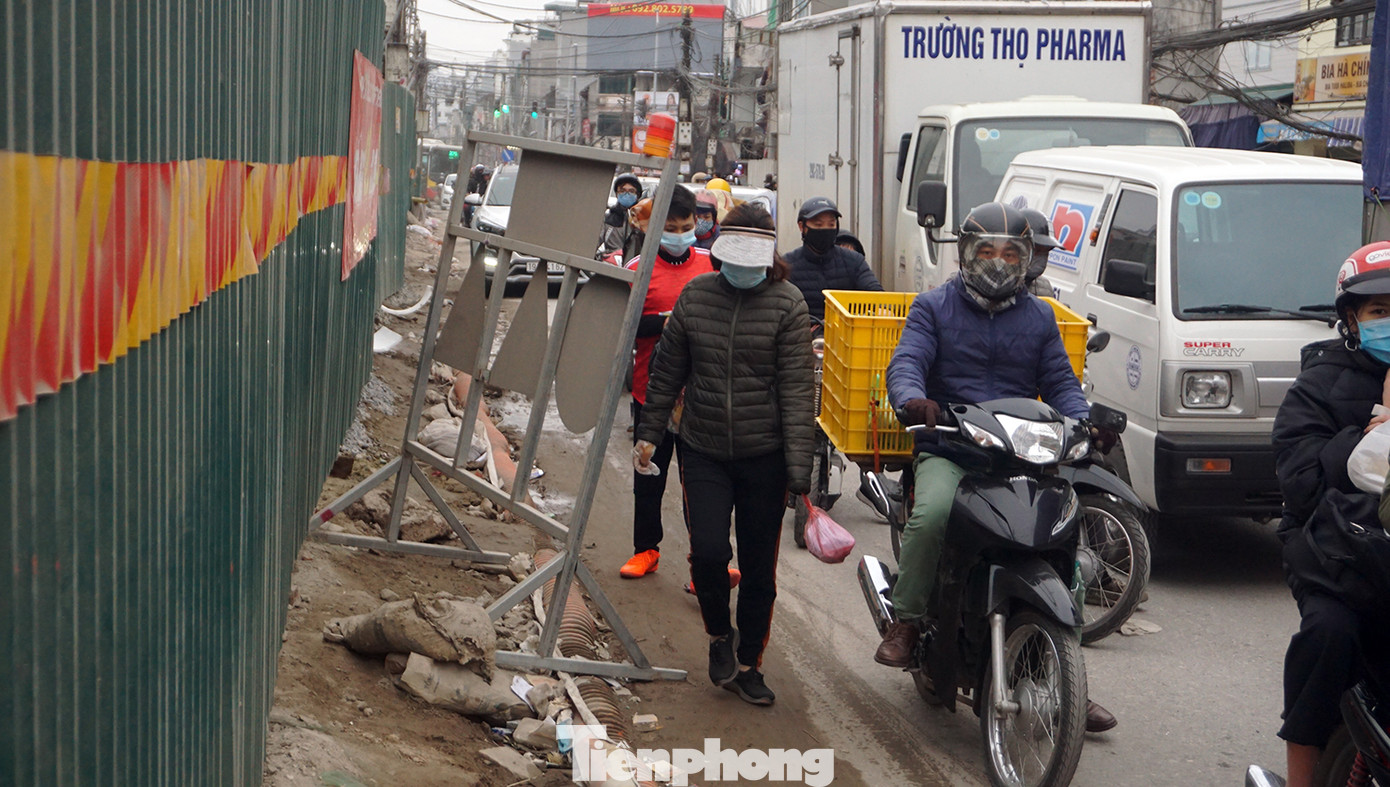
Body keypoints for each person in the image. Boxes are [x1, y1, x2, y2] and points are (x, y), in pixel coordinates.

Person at [876, 201, 1119, 733]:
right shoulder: (933, 307)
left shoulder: (1039, 317)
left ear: (1027, 258)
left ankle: (1068, 678)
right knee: (931, 516)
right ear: (965, 253)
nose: (998, 261)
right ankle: (909, 620)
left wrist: (1082, 424)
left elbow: (1060, 383)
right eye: (986, 250)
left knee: (1061, 543)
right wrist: (914, 400)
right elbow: (907, 362)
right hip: (951, 448)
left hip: (1019, 454)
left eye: (1011, 252)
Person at [635, 204, 815, 705]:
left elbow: (798, 392)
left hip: (767, 456)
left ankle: (749, 662)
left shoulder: (788, 305)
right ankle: (719, 635)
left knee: (760, 570)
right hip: (704, 449)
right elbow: (667, 372)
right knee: (709, 551)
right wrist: (649, 434)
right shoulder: (696, 297)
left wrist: (799, 473)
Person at [1272, 241, 1390, 787]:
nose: (1389, 322)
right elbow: (1302, 486)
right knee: (1329, 634)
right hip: (1333, 556)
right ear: (1351, 319)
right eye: (1379, 312)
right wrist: (1371, 434)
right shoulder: (1317, 385)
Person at [618, 187, 714, 578]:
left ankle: (706, 564)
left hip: (701, 397)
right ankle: (646, 550)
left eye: (686, 226)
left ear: (697, 225)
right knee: (648, 477)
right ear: (656, 227)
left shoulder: (713, 265)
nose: (679, 234)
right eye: (670, 227)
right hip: (651, 394)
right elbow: (624, 327)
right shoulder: (635, 270)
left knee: (703, 489)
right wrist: (668, 322)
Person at [783, 197, 882, 322]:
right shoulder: (787, 265)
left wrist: (882, 308)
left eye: (831, 224)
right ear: (802, 227)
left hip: (846, 333)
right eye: (818, 225)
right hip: (803, 335)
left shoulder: (854, 261)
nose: (825, 229)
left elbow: (876, 294)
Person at [1019, 207, 1062, 298]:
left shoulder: (1044, 289)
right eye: (1037, 250)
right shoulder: (993, 285)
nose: (1041, 258)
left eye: (1046, 251)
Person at [599, 173, 642, 259]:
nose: (627, 194)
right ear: (616, 194)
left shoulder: (644, 219)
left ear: (637, 195)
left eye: (631, 191)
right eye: (622, 191)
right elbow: (594, 243)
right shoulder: (608, 218)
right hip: (611, 267)